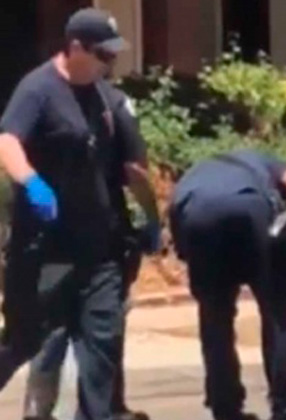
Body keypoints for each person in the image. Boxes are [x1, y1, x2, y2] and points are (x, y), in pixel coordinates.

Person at [0, 7, 160, 420]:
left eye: (113, 55)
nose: (110, 63)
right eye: (103, 54)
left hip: (100, 252)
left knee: (101, 346)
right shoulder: (38, 89)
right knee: (24, 341)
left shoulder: (108, 98)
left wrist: (151, 218)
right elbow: (7, 141)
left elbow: (133, 170)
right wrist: (31, 182)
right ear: (75, 48)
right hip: (44, 252)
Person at [168, 149, 286, 420]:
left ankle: (226, 408)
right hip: (250, 210)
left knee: (214, 321)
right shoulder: (265, 161)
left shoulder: (191, 176)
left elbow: (180, 237)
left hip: (197, 217)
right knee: (277, 313)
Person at [21, 88, 153, 420]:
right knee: (103, 330)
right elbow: (134, 170)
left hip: (45, 237)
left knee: (51, 329)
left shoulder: (40, 96)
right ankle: (103, 408)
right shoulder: (116, 101)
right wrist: (152, 219)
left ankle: (38, 410)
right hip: (100, 237)